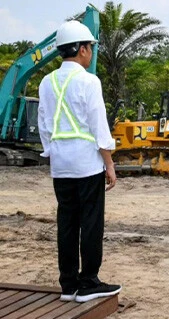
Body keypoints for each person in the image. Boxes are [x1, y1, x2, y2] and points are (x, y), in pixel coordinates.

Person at [37, 19, 122, 303]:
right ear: (83, 49)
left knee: (67, 222)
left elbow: (44, 125)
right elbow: (99, 126)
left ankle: (68, 284)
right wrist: (109, 163)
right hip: (86, 163)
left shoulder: (47, 83)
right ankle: (89, 283)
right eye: (90, 47)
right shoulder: (88, 81)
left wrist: (52, 152)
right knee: (91, 222)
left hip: (61, 165)